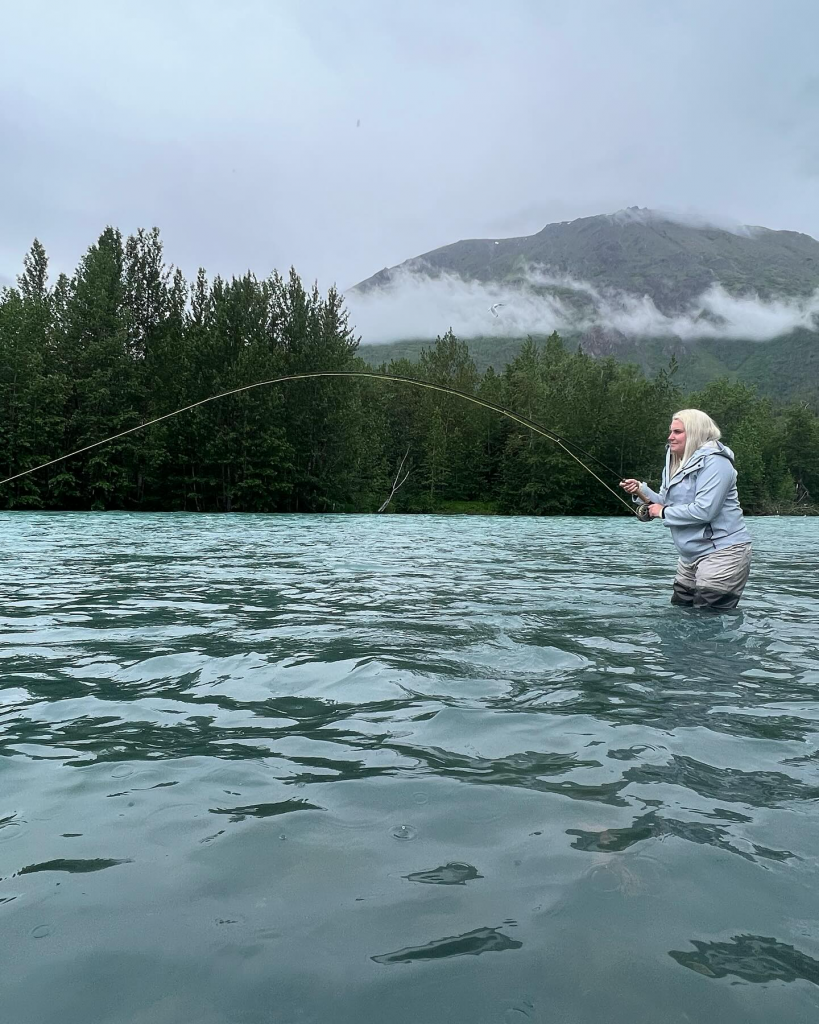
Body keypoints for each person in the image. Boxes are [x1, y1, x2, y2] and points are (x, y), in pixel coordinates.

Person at [620, 409, 752, 610]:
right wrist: (640, 490)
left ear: (695, 433)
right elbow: (665, 501)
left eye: (677, 432)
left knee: (707, 623)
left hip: (723, 553)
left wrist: (662, 512)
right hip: (689, 556)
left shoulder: (717, 463)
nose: (670, 437)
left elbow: (705, 511)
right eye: (671, 431)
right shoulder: (676, 460)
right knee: (681, 614)